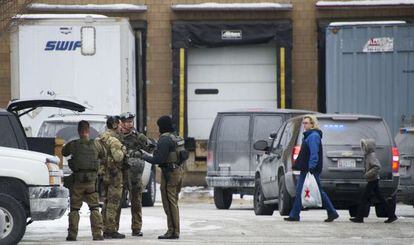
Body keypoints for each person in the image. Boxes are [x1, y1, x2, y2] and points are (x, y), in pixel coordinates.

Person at [284, 115, 339, 222]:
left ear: (312, 124)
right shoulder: (309, 136)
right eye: (303, 123)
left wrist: (311, 167)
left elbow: (314, 154)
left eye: (306, 123)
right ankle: (295, 214)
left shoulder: (313, 136)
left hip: (310, 169)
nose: (304, 125)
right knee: (303, 191)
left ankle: (331, 212)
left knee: (314, 191)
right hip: (306, 169)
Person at [62, 120, 106, 241]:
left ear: (78, 131)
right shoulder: (96, 144)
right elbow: (104, 154)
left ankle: (72, 234)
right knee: (94, 208)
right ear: (89, 130)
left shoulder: (73, 144)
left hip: (78, 182)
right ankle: (97, 234)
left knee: (75, 209)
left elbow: (63, 152)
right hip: (91, 182)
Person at [143, 115, 183, 239]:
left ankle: (173, 231)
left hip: (169, 173)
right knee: (173, 202)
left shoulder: (165, 139)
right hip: (178, 171)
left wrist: (143, 156)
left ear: (162, 126)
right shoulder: (176, 137)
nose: (158, 129)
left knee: (169, 203)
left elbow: (158, 159)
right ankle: (174, 230)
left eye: (159, 126)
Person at [117, 112, 154, 237]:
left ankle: (136, 228)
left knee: (136, 201)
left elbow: (152, 148)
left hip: (135, 174)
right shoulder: (116, 137)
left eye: (131, 121)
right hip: (120, 174)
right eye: (127, 122)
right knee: (117, 201)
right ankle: (113, 228)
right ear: (121, 123)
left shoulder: (138, 136)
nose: (130, 124)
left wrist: (140, 152)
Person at [350, 139, 398, 223]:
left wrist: (367, 174)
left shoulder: (371, 156)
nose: (363, 148)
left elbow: (377, 167)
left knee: (364, 198)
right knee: (380, 198)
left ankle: (359, 217)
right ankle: (391, 215)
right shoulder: (368, 155)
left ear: (368, 147)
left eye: (365, 146)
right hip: (373, 179)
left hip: (373, 179)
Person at [97, 116, 126, 239]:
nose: (121, 127)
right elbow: (118, 157)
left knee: (106, 201)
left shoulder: (100, 137)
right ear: (114, 125)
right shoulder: (114, 140)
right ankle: (110, 229)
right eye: (120, 125)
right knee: (113, 202)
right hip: (114, 175)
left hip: (103, 174)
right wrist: (123, 150)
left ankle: (103, 226)